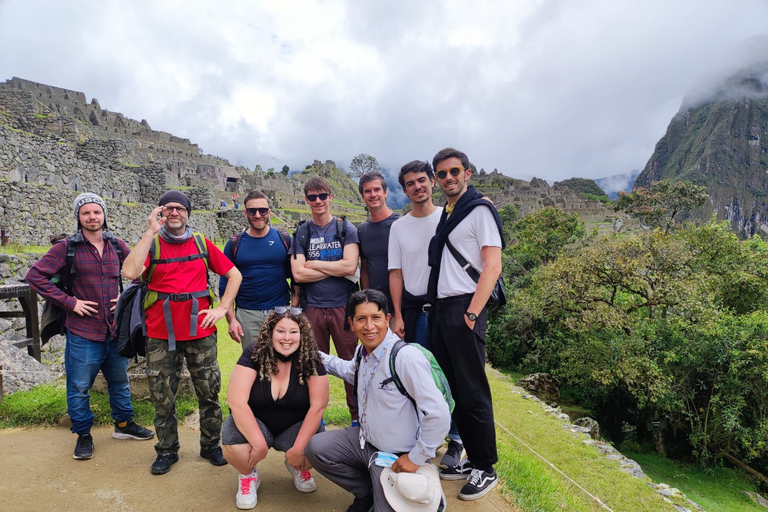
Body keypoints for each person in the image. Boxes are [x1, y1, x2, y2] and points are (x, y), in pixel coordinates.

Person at [122, 190, 243, 475]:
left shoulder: (202, 243)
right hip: (160, 335)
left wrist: (223, 309)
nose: (174, 212)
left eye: (180, 208)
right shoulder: (152, 245)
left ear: (188, 212)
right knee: (163, 395)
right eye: (168, 209)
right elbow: (129, 272)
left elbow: (234, 274)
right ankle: (166, 450)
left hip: (200, 332)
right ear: (161, 213)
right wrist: (150, 232)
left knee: (209, 391)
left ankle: (211, 444)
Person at [26, 193, 154, 460]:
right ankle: (83, 434)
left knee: (119, 381)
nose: (92, 217)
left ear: (104, 215)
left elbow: (139, 272)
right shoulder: (66, 247)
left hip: (113, 329)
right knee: (79, 385)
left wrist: (125, 296)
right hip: (83, 330)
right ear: (79, 217)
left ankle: (123, 424)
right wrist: (70, 302)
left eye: (97, 212)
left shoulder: (117, 245)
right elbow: (35, 276)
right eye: (86, 213)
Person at [305, 289, 450, 512]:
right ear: (352, 323)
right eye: (361, 319)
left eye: (376, 318)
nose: (369, 326)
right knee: (317, 448)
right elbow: (351, 371)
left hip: (400, 455)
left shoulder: (404, 358)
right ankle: (367, 492)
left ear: (388, 319)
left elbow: (438, 414)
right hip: (368, 445)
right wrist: (316, 355)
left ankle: (427, 492)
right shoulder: (362, 351)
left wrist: (415, 457)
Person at [427, 148, 504, 500]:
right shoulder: (449, 212)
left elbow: (492, 265)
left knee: (473, 391)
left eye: (454, 171)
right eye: (441, 174)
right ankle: (469, 460)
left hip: (464, 308)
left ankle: (485, 467)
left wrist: (472, 313)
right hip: (443, 308)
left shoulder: (479, 211)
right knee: (455, 390)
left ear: (467, 173)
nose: (448, 178)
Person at [388, 160, 464, 469]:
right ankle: (421, 439)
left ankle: (456, 439)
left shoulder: (449, 218)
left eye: (422, 180)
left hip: (447, 306)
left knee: (453, 373)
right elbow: (396, 273)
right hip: (414, 307)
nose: (417, 186)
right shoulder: (399, 226)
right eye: (410, 183)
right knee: (417, 375)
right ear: (404, 190)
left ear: (432, 182)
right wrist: (397, 315)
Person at [222, 307, 329, 509]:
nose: (286, 338)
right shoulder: (254, 352)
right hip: (257, 424)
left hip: (295, 427)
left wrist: (298, 450)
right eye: (280, 331)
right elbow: (236, 401)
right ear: (270, 332)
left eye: (293, 332)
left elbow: (318, 406)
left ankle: (297, 465)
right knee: (233, 444)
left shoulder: (311, 357)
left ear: (302, 334)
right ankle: (248, 475)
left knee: (318, 449)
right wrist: (258, 443)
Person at [290, 176, 360, 421]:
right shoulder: (302, 232)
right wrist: (335, 266)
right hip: (313, 308)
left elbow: (350, 267)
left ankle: (357, 418)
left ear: (330, 197)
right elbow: (298, 273)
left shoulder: (345, 228)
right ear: (307, 200)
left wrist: (317, 264)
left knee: (352, 366)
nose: (317, 201)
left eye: (322, 196)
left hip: (343, 308)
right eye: (312, 197)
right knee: (312, 365)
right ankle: (314, 419)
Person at [220, 190, 299, 352]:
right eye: (252, 211)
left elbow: (296, 279)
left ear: (269, 212)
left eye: (262, 210)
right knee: (253, 364)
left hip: (280, 312)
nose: (257, 215)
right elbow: (224, 285)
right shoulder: (234, 244)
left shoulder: (284, 240)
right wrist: (231, 320)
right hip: (248, 315)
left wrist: (294, 308)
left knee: (284, 361)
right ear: (245, 212)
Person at [356, 172, 399, 314]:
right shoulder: (362, 230)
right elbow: (365, 267)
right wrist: (367, 299)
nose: (373, 194)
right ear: (363, 197)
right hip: (377, 307)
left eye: (377, 189)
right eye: (367, 191)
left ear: (385, 192)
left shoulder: (400, 224)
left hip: (403, 305)